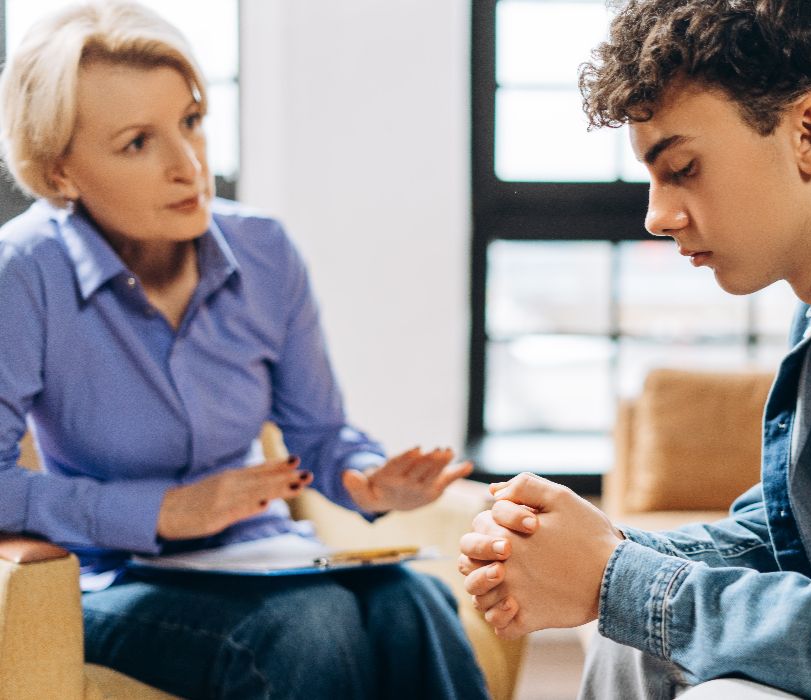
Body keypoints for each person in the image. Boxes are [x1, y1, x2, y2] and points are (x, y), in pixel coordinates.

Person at [0, 2, 489, 698]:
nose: (188, 164)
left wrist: (365, 480)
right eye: (139, 142)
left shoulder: (265, 251)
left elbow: (317, 436)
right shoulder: (24, 271)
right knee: (312, 626)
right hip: (112, 581)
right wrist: (161, 510)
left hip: (264, 557)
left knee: (413, 605)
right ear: (61, 173)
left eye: (191, 122)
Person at [459, 0, 811, 698]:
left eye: (684, 168)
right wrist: (598, 554)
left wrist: (610, 578)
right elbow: (785, 538)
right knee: (630, 641)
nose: (657, 217)